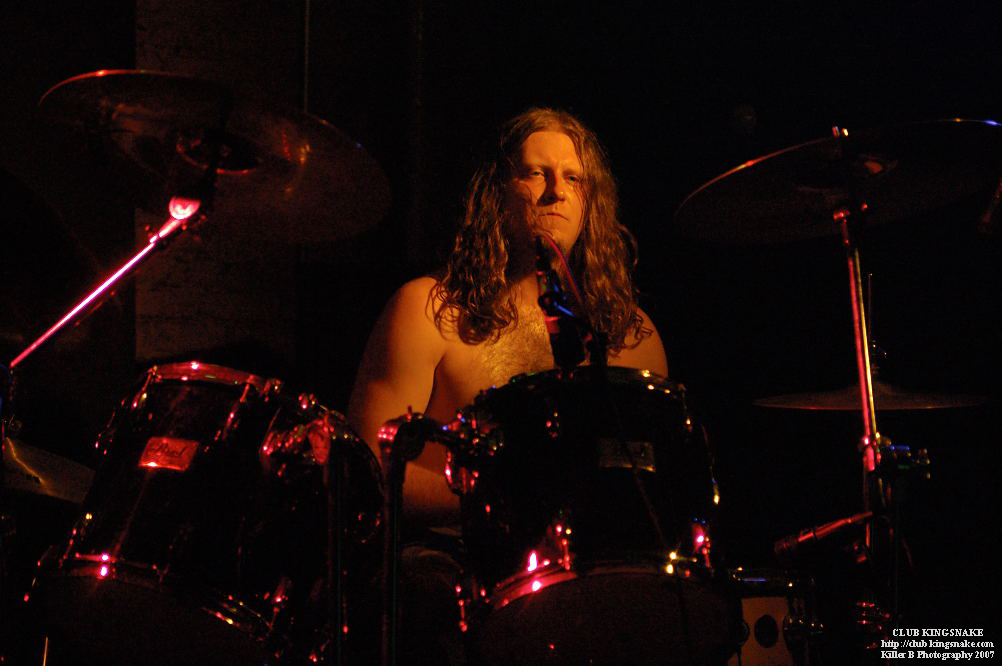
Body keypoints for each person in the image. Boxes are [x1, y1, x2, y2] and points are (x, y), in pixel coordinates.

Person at [347, 107, 668, 520]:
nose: (557, 191)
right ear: (496, 192)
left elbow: (662, 479)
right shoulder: (428, 310)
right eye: (536, 173)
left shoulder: (634, 334)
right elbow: (367, 469)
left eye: (574, 178)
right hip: (452, 549)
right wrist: (505, 505)